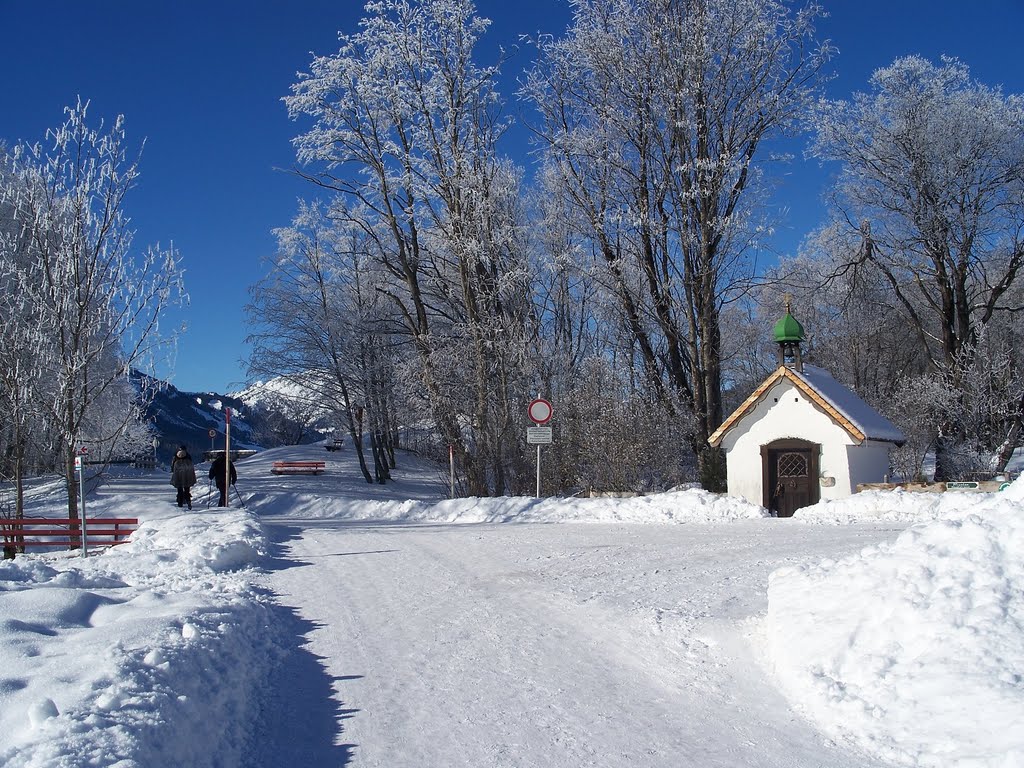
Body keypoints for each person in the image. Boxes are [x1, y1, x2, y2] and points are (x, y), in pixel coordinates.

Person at [170, 446, 197, 510]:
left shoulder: (176, 457)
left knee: (180, 490)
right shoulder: (188, 456)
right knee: (187, 490)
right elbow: (191, 468)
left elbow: (172, 467)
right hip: (187, 476)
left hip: (178, 476)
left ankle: (180, 503)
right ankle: (188, 501)